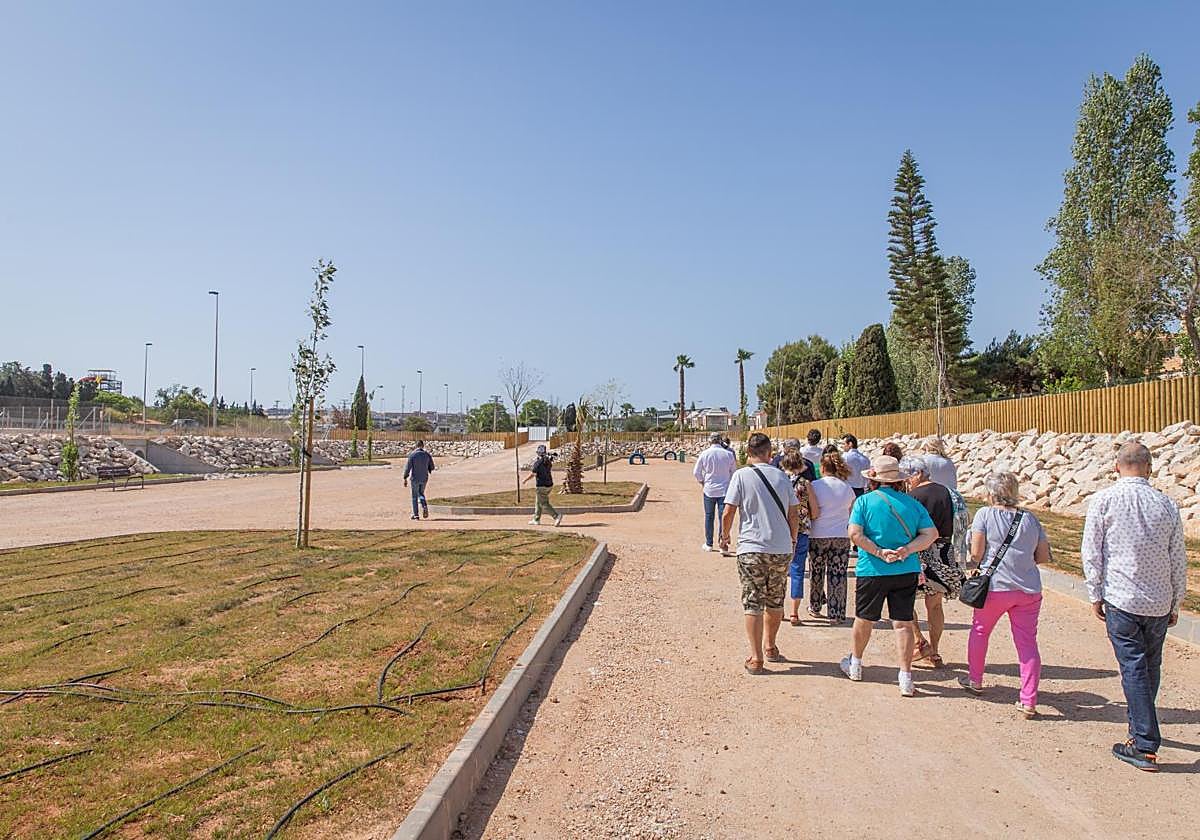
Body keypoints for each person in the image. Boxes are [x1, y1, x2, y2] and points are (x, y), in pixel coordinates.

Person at [1082, 442, 1188, 771]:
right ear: (1149, 467)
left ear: (1116, 467)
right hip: (1157, 599)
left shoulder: (1103, 501)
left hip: (1121, 597)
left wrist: (1095, 593)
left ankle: (1144, 743)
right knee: (1149, 666)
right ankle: (1139, 727)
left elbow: (1092, 552)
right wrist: (1176, 599)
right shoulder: (1166, 504)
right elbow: (1178, 557)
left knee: (1133, 667)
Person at [842, 456, 938, 697]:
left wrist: (877, 551)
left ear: (873, 479)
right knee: (903, 623)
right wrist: (909, 549)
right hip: (906, 568)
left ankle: (856, 663)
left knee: (864, 618)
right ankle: (905, 675)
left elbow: (854, 533)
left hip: (872, 569)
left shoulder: (863, 502)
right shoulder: (913, 504)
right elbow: (931, 533)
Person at [960, 471, 1049, 719]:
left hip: (996, 587)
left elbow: (977, 552)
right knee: (1027, 644)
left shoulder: (985, 515)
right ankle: (1029, 699)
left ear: (991, 493)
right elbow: (1042, 555)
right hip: (1029, 588)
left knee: (980, 631)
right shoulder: (1030, 519)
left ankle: (975, 680)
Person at [719, 432, 800, 674]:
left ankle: (756, 658)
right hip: (780, 547)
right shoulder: (782, 477)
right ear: (768, 453)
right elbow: (793, 513)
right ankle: (771, 646)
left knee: (752, 601)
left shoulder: (741, 476)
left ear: (748, 453)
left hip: (751, 547)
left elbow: (729, 511)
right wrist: (793, 539)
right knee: (775, 600)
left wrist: (724, 536)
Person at [901, 456, 963, 669]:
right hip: (944, 551)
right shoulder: (948, 492)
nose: (907, 481)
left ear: (918, 474)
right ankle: (935, 650)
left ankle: (920, 641)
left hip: (920, 552)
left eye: (908, 476)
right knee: (935, 605)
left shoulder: (913, 497)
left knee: (905, 600)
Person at [807, 451, 856, 624]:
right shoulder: (847, 487)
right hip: (841, 535)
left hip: (818, 534)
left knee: (816, 572)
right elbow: (851, 512)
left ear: (822, 467)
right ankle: (836, 612)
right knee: (838, 574)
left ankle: (815, 605)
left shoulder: (815, 485)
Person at [780, 449, 820, 626]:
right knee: (797, 570)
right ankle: (794, 612)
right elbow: (816, 511)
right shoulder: (806, 484)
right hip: (802, 530)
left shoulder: (779, 482)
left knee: (779, 571)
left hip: (780, 531)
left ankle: (778, 608)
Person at [694, 432, 738, 552]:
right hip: (725, 490)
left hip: (709, 489)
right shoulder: (729, 455)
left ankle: (709, 544)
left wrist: (702, 482)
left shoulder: (705, 454)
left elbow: (696, 472)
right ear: (720, 441)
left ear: (709, 441)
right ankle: (723, 544)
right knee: (723, 517)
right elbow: (734, 472)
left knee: (709, 516)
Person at [522, 444, 564, 526]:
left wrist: (525, 480)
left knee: (544, 503)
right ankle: (536, 519)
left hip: (541, 486)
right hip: (549, 485)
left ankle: (556, 516)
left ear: (538, 453)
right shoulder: (548, 461)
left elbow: (533, 474)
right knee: (538, 502)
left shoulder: (538, 463)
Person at [402, 440, 436, 521]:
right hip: (424, 477)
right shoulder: (427, 455)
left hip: (415, 478)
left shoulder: (412, 455)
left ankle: (416, 515)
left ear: (416, 446)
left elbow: (408, 468)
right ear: (423, 446)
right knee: (421, 493)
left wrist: (405, 477)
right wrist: (427, 468)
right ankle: (424, 505)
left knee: (414, 496)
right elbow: (432, 467)